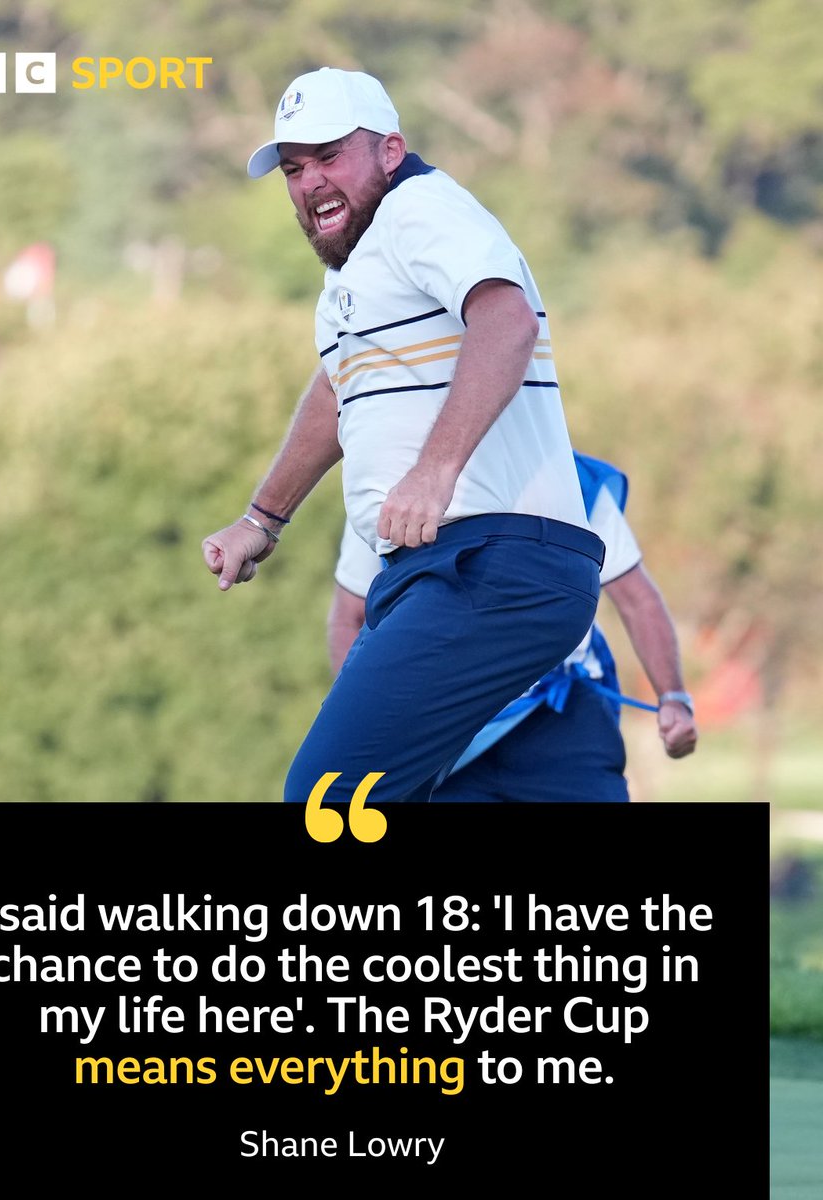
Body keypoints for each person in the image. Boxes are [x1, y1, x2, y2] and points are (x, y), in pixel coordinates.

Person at [202, 67, 606, 803]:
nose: (310, 181)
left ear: (391, 150)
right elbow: (337, 387)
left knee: (328, 799)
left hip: (493, 561)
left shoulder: (421, 210)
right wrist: (262, 519)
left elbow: (506, 320)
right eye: (293, 168)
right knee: (391, 801)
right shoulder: (358, 268)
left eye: (330, 157)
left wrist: (435, 470)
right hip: (446, 571)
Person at [329, 453, 698, 802]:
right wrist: (366, 730)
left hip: (562, 716)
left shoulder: (572, 480)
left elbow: (637, 599)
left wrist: (674, 698)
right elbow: (350, 617)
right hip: (440, 719)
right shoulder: (388, 488)